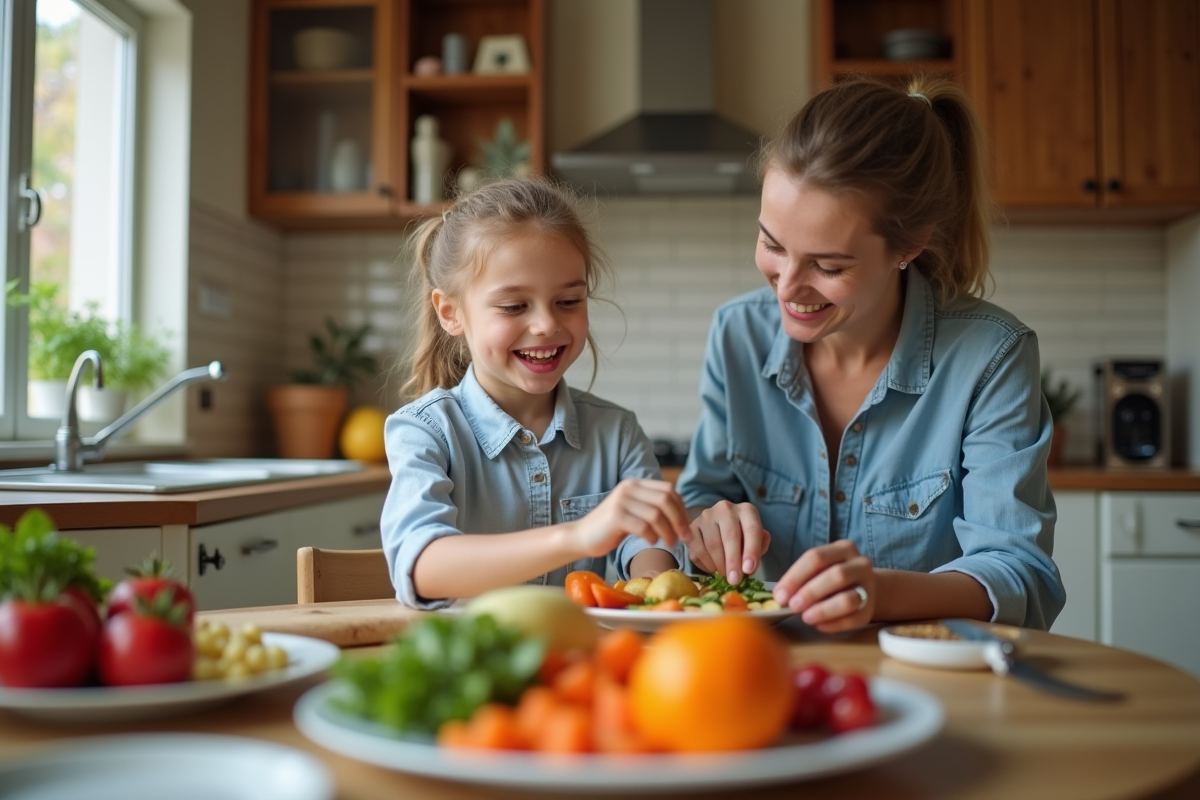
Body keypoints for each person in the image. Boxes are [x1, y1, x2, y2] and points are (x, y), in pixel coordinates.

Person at [676, 77, 1066, 633]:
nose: (788, 285)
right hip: (773, 663)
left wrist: (878, 594)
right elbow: (703, 495)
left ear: (909, 245)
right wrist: (707, 523)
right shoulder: (737, 334)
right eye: (772, 244)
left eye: (827, 266)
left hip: (927, 668)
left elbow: (1020, 574)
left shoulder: (990, 356)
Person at [382, 176, 688, 608]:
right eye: (514, 306)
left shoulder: (617, 433)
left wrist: (654, 581)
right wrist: (578, 536)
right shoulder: (425, 432)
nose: (546, 324)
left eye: (569, 301)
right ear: (450, 313)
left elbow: (649, 546)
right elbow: (423, 568)